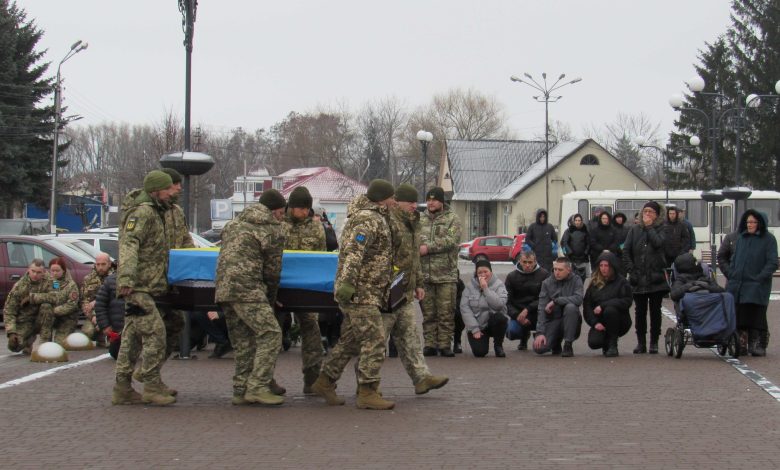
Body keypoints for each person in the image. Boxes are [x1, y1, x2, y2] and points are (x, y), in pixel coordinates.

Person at [311, 179, 396, 410]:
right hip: (361, 292)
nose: (394, 202)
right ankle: (368, 391)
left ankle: (325, 380)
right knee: (375, 339)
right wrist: (348, 283)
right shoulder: (368, 219)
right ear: (382, 198)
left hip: (368, 291)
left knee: (349, 341)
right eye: (392, 197)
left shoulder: (374, 216)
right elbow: (353, 253)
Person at [215, 189, 288, 406]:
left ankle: (241, 389)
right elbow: (272, 271)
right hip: (248, 289)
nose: (283, 217)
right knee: (271, 333)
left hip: (224, 289)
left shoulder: (234, 224)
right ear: (275, 211)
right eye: (282, 212)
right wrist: (271, 298)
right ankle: (258, 385)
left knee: (243, 341)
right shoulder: (272, 229)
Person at [112, 170, 177, 406]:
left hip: (149, 286)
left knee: (131, 339)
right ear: (155, 191)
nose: (172, 193)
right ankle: (151, 384)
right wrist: (127, 279)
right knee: (156, 334)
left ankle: (122, 387)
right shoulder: (143, 213)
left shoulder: (156, 212)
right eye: (168, 189)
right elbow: (129, 244)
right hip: (139, 287)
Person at [385, 183, 448, 392]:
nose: (415, 205)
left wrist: (418, 283)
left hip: (403, 290)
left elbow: (413, 257)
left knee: (410, 335)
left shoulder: (412, 223)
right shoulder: (388, 222)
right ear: (397, 202)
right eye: (410, 202)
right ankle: (333, 379)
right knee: (372, 343)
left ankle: (422, 377)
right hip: (385, 291)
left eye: (415, 202)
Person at [281, 185, 327, 394]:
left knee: (311, 330)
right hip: (279, 286)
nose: (305, 213)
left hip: (305, 287)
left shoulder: (315, 227)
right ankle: (262, 380)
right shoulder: (278, 224)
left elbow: (321, 257)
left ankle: (312, 379)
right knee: (270, 334)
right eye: (301, 209)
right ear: (291, 208)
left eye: (308, 209)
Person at [725, 209, 778, 357]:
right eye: (748, 222)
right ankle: (741, 343)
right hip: (739, 283)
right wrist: (732, 274)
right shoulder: (742, 238)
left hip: (757, 284)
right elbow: (735, 258)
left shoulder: (768, 239)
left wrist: (760, 277)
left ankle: (759, 344)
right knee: (740, 314)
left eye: (753, 222)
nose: (750, 224)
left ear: (760, 223)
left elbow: (772, 262)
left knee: (757, 314)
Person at [419, 186, 462, 357]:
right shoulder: (419, 219)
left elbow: (451, 240)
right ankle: (430, 344)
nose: (431, 203)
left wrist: (427, 248)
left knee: (446, 312)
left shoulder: (453, 219)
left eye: (434, 200)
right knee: (428, 313)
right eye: (428, 200)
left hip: (446, 274)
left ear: (441, 201)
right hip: (425, 274)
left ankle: (444, 344)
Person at [622, 201, 668, 354]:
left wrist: (649, 227)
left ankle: (654, 342)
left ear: (657, 214)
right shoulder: (634, 230)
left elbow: (659, 244)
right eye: (645, 211)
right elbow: (626, 251)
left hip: (656, 278)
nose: (647, 214)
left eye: (651, 212)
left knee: (655, 311)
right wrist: (631, 270)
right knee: (639, 312)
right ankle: (640, 342)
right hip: (638, 278)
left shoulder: (662, 229)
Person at [583, 252, 633, 357]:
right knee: (594, 342)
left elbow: (627, 301)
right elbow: (587, 306)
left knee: (610, 310)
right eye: (601, 266)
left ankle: (613, 344)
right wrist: (595, 323)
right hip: (600, 321)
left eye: (606, 266)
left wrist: (603, 305)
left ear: (612, 266)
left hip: (620, 320)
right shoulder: (594, 283)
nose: (603, 268)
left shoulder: (621, 282)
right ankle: (607, 342)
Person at [533, 257, 584, 357]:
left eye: (560, 270)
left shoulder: (576, 280)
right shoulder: (547, 283)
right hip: (553, 320)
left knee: (571, 307)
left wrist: (556, 301)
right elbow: (542, 308)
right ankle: (555, 343)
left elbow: (578, 299)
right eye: (555, 269)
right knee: (539, 348)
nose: (557, 272)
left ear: (568, 270)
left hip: (571, 320)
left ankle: (568, 345)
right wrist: (540, 332)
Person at [461, 259, 509, 357]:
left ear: (490, 272)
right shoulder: (470, 287)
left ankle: (498, 345)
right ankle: (479, 338)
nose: (483, 274)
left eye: (485, 272)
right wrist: (474, 329)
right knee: (480, 353)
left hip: (493, 322)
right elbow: (465, 308)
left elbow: (499, 305)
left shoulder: (499, 284)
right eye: (480, 272)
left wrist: (486, 289)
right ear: (476, 273)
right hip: (478, 324)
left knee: (500, 318)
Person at [4, 259, 51, 354]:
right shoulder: (19, 286)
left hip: (44, 317)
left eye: (38, 272)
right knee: (14, 346)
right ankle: (29, 340)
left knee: (47, 306)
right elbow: (9, 310)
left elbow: (57, 296)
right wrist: (11, 332)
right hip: (26, 321)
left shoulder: (53, 281)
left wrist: (32, 298)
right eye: (33, 271)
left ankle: (45, 343)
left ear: (44, 272)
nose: (35, 275)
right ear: (28, 270)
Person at [504, 250, 548, 351]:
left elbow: (545, 298)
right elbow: (507, 302)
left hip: (538, 313)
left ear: (535, 262)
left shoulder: (544, 275)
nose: (527, 265)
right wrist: (517, 315)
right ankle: (523, 336)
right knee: (512, 332)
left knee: (541, 348)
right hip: (518, 313)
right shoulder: (511, 277)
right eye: (524, 262)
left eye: (530, 262)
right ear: (519, 261)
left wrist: (528, 310)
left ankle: (540, 335)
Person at [32, 257, 80, 345]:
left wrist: (55, 311)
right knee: (45, 306)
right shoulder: (48, 281)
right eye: (52, 270)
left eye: (57, 271)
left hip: (67, 318)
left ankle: (68, 334)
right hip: (51, 316)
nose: (54, 273)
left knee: (60, 343)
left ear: (63, 270)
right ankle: (45, 338)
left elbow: (71, 305)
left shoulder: (70, 285)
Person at [79, 252, 114, 346]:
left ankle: (107, 337)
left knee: (115, 341)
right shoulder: (88, 279)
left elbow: (116, 300)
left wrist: (102, 318)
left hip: (111, 315)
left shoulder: (115, 278)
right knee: (87, 332)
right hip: (94, 316)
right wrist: (94, 316)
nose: (100, 267)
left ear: (109, 264)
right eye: (98, 264)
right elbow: (85, 302)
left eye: (103, 264)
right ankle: (100, 336)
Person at [94, 272, 125, 359]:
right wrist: (105, 326)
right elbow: (100, 305)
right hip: (118, 329)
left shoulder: (144, 280)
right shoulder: (110, 281)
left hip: (140, 326)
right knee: (117, 354)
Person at [561, 213, 590, 281]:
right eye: (576, 220)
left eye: (579, 220)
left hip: (583, 260)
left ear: (581, 221)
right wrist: (568, 253)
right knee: (571, 279)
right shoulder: (568, 231)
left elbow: (589, 243)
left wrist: (586, 253)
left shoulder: (585, 231)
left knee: (582, 279)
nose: (577, 222)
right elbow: (563, 244)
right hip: (572, 260)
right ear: (573, 221)